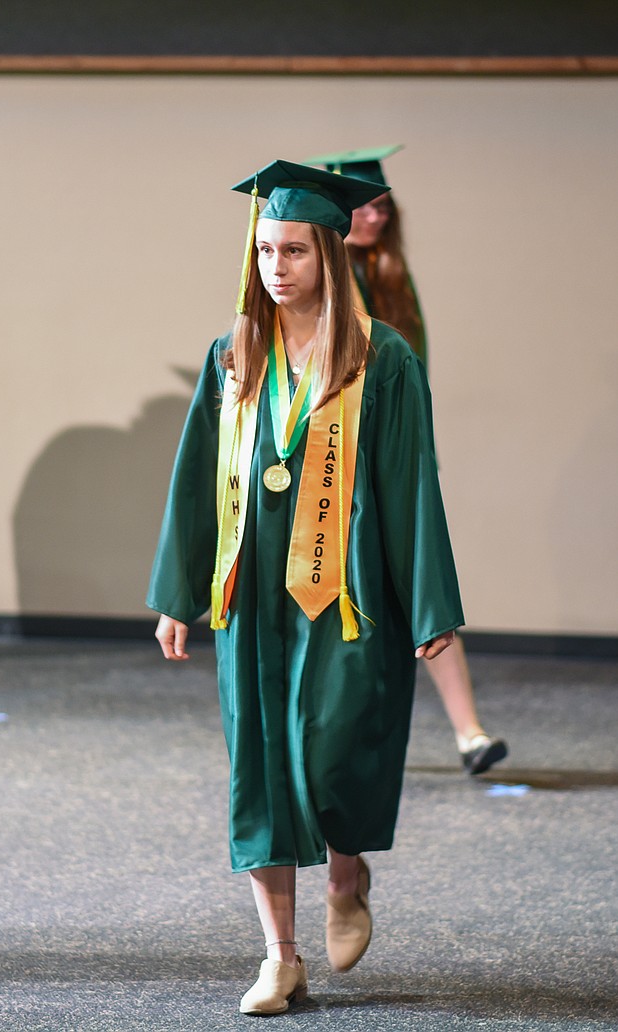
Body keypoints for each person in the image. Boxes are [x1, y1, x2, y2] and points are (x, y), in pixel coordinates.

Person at [147, 160, 463, 1015]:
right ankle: (279, 958)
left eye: (291, 251)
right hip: (254, 599)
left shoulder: (381, 359)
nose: (274, 268)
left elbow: (410, 484)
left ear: (329, 254)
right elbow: (196, 479)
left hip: (345, 592)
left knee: (330, 759)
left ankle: (348, 868)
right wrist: (180, 591)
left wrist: (429, 605)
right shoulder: (235, 353)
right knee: (259, 771)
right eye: (263, 251)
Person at [307, 146, 507, 776]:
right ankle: (320, 734)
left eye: (383, 207)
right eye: (363, 206)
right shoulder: (326, 283)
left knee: (423, 591)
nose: (374, 218)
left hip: (392, 460)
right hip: (336, 465)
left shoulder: (391, 274)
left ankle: (470, 733)